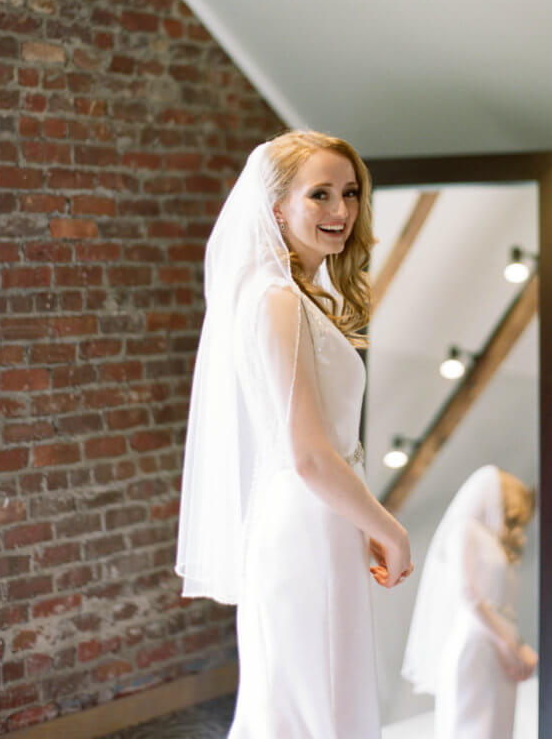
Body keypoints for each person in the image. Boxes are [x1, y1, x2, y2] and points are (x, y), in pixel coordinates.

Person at [174, 129, 413, 737]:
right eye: (321, 195)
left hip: (315, 518)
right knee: (317, 709)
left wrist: (356, 523)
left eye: (350, 193)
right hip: (308, 520)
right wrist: (388, 529)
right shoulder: (277, 300)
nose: (341, 212)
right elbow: (307, 453)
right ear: (276, 207)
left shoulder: (289, 295)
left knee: (305, 700)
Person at [402, 465, 536, 739]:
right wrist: (506, 643)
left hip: (503, 651)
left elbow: (503, 606)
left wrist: (518, 645)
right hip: (477, 644)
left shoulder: (499, 545)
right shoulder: (465, 530)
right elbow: (467, 592)